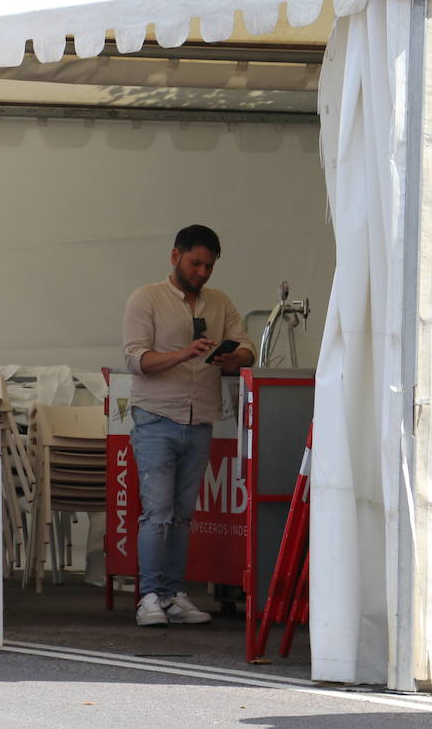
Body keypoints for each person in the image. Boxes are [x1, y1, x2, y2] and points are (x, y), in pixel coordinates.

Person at [121, 224, 253, 628]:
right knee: (157, 513)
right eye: (196, 262)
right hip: (157, 416)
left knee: (181, 515)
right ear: (175, 256)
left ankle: (173, 593)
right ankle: (148, 596)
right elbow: (136, 360)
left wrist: (234, 359)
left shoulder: (220, 302)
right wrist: (183, 354)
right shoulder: (146, 298)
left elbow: (246, 347)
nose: (202, 272)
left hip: (200, 418)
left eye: (209, 266)